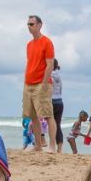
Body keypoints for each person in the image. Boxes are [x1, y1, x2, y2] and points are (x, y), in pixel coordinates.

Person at [23, 15, 56, 153]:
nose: (29, 27)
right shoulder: (29, 44)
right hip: (28, 83)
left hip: (41, 83)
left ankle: (52, 146)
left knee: (47, 114)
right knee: (33, 116)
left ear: (39, 25)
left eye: (32, 24)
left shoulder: (47, 42)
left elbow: (50, 64)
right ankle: (37, 145)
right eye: (28, 24)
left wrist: (43, 83)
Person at [50, 59, 65, 153]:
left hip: (51, 101)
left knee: (50, 124)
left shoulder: (49, 74)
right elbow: (61, 90)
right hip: (60, 101)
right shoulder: (59, 75)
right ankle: (59, 147)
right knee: (57, 125)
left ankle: (51, 145)